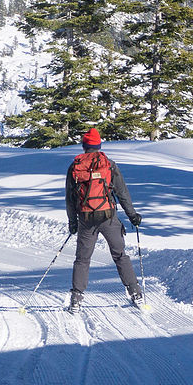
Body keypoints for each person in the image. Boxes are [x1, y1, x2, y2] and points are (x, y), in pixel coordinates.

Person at [65, 127, 143, 311]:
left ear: (84, 145)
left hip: (86, 218)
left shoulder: (75, 166)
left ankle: (76, 299)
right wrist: (132, 215)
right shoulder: (108, 164)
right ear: (99, 145)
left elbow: (70, 198)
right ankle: (135, 293)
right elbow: (122, 192)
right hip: (108, 217)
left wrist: (73, 222)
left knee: (82, 259)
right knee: (120, 255)